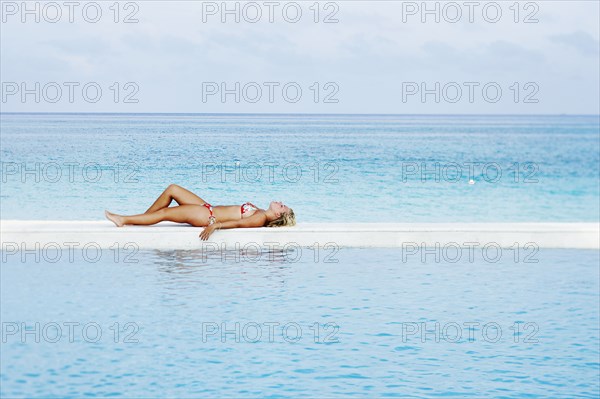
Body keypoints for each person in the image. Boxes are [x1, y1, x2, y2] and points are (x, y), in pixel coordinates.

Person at [104, 184, 296, 240]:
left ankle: (124, 220)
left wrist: (215, 226)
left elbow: (238, 224)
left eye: (282, 206)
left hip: (207, 216)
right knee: (173, 189)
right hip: (208, 207)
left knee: (164, 213)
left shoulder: (260, 217)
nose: (280, 202)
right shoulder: (261, 212)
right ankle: (142, 219)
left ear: (278, 215)